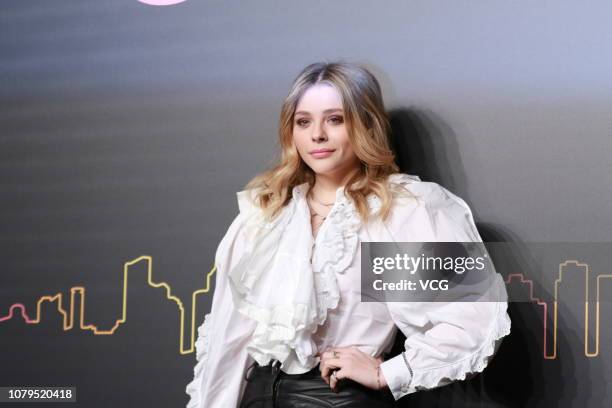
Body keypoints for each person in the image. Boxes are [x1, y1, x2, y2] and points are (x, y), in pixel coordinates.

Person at [185, 61, 511, 408]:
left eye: (335, 119)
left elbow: (472, 317)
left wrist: (389, 372)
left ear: (365, 125)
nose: (317, 135)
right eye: (303, 121)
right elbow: (228, 343)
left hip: (338, 399)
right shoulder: (267, 214)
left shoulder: (398, 210)